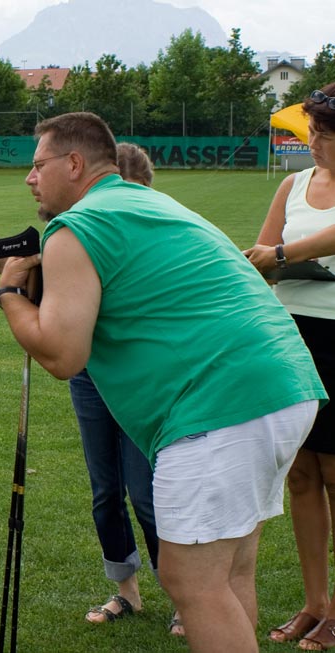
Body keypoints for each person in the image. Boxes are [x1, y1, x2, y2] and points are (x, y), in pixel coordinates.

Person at [0, 111, 326, 653]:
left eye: (38, 165)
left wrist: (10, 292)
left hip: (218, 404)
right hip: (284, 387)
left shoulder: (76, 226)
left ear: (74, 163)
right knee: (227, 574)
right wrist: (7, 261)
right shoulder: (144, 203)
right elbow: (92, 288)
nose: (29, 178)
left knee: (192, 580)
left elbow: (61, 353)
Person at [70, 142, 181, 632]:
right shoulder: (81, 228)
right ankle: (126, 592)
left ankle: (183, 595)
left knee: (146, 493)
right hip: (89, 375)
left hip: (140, 379)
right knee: (104, 491)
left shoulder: (160, 236)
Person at [243, 83, 335, 651]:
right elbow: (264, 257)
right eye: (313, 132)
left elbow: (288, 250)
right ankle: (314, 605)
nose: (315, 142)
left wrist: (282, 256)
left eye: (325, 134)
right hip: (293, 340)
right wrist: (263, 263)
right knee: (301, 475)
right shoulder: (293, 183)